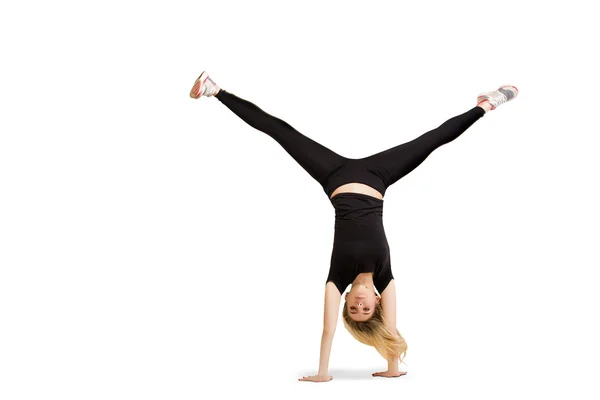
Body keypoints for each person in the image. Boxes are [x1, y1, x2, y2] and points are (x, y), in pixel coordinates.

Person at [189, 71, 518, 382]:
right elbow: (391, 330)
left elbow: (328, 331)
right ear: (376, 302)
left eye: (353, 308)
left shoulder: (337, 279)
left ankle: (216, 90)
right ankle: (486, 104)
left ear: (346, 301)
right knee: (432, 141)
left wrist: (322, 373)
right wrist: (392, 368)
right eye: (365, 309)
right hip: (377, 178)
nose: (359, 304)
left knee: (281, 133)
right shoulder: (385, 278)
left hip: (334, 177)